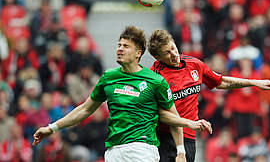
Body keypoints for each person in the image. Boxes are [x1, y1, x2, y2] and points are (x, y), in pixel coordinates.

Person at [32, 26, 212, 162]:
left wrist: (182, 146)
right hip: (113, 150)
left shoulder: (155, 80)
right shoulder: (109, 78)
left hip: (143, 149)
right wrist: (52, 127)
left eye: (126, 46)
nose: (120, 48)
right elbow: (85, 110)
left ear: (138, 53)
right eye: (119, 45)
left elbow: (171, 116)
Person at [147, 29, 270, 162]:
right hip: (164, 136)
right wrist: (181, 145)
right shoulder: (155, 77)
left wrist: (254, 82)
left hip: (189, 135)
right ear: (158, 57)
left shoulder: (193, 64)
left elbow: (220, 81)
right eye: (167, 52)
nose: (174, 54)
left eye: (173, 47)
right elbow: (161, 113)